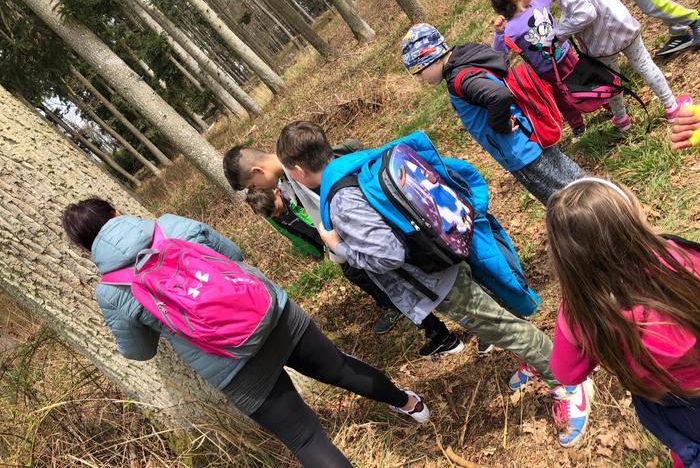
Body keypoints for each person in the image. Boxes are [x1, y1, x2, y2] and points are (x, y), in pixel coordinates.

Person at [276, 120, 595, 448]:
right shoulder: (355, 162)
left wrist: (340, 248)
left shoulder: (340, 200)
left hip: (435, 278)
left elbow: (387, 254)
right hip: (444, 250)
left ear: (297, 170)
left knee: (501, 327)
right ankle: (538, 358)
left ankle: (568, 381)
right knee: (495, 321)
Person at [61, 198, 429, 468]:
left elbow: (140, 352)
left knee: (305, 439)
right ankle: (408, 403)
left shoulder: (111, 291)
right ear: (116, 212)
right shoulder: (170, 224)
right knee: (339, 369)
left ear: (86, 247)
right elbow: (233, 253)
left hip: (232, 365)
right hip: (272, 313)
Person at [224, 146, 471, 357]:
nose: (256, 188)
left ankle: (457, 332)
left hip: (364, 245)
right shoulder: (291, 176)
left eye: (252, 184)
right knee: (416, 285)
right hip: (358, 247)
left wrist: (340, 247)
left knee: (424, 283)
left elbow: (340, 207)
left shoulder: (301, 174)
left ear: (257, 171)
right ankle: (447, 332)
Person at [545, 178, 700, 467]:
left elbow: (566, 372)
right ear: (632, 219)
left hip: (672, 406)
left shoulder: (580, 314)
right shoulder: (681, 258)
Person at [401, 23, 584, 205]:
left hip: (518, 149)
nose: (420, 78)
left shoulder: (460, 80)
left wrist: (501, 125)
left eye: (419, 71)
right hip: (528, 134)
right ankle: (597, 197)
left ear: (433, 57)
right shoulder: (467, 57)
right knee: (572, 180)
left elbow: (498, 95)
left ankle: (590, 217)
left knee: (562, 200)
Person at [529, 0, 692, 131]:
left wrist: (560, 34)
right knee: (644, 64)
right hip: (622, 25)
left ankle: (622, 119)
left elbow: (585, 14)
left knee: (610, 80)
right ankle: (671, 106)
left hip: (600, 42)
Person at [487, 0, 586, 135]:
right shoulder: (510, 28)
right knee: (561, 98)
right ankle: (576, 123)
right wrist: (499, 33)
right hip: (546, 71)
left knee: (584, 80)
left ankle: (605, 101)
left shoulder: (538, 2)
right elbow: (499, 54)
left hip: (566, 55)